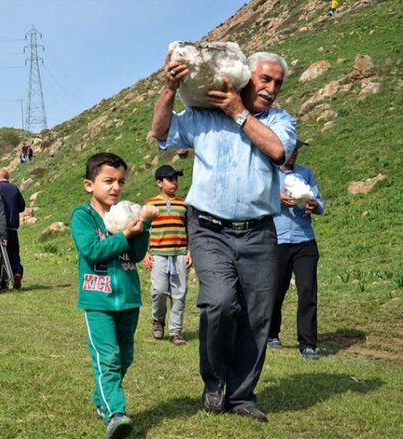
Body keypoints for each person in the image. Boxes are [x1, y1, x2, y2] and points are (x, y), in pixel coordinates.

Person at [150, 50, 297, 422]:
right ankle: (215, 381)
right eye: (265, 79)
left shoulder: (280, 121)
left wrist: (239, 112)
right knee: (218, 303)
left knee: (257, 315)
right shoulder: (204, 116)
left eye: (278, 82)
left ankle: (242, 395)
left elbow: (278, 151)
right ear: (247, 77)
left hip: (259, 232)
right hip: (209, 228)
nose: (271, 88)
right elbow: (162, 133)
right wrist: (169, 90)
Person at [71, 152, 157, 439]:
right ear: (89, 184)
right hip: (98, 301)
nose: (115, 188)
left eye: (120, 181)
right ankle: (115, 413)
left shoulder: (125, 214)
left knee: (125, 357)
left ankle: (102, 399)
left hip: (129, 299)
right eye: (108, 181)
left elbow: (136, 254)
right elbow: (92, 250)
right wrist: (124, 236)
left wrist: (142, 225)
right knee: (107, 357)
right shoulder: (83, 216)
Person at [268, 140, 325, 360]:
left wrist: (314, 206)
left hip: (304, 240)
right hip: (278, 239)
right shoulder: (268, 173)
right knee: (275, 290)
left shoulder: (305, 173)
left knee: (308, 290)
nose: (294, 154)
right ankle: (271, 334)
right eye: (290, 150)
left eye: (296, 151)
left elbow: (319, 201)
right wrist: (277, 199)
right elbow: (256, 200)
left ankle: (308, 344)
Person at [142, 165, 192, 345]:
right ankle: (158, 320)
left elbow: (190, 229)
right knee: (159, 291)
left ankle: (176, 332)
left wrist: (190, 252)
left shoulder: (184, 204)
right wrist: (144, 253)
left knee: (179, 294)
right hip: (159, 255)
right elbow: (142, 230)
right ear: (159, 182)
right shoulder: (150, 204)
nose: (174, 183)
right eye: (170, 180)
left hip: (179, 254)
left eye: (175, 179)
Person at [0, 168, 26, 289]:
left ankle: (3, 280)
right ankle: (17, 272)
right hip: (12, 227)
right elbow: (21, 206)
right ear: (8, 177)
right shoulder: (14, 189)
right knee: (14, 252)